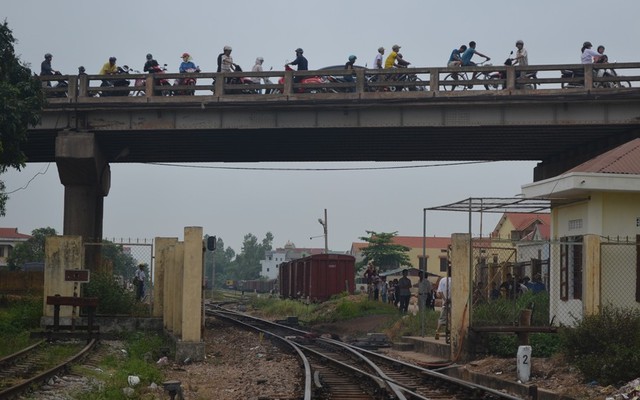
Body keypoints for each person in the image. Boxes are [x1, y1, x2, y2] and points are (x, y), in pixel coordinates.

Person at [434, 271, 451, 340]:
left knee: (442, 319)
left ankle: (437, 332)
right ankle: (450, 332)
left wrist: (445, 299)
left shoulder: (443, 280)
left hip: (445, 303)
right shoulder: (456, 280)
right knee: (452, 319)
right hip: (453, 303)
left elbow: (439, 292)